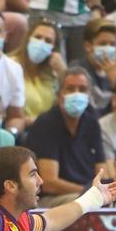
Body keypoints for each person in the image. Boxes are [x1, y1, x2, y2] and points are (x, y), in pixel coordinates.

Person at [26, 67, 103, 200]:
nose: (76, 94)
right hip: (51, 199)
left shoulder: (92, 121)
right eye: (70, 89)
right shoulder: (46, 123)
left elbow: (102, 170)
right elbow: (49, 183)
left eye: (82, 89)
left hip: (87, 195)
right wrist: (89, 192)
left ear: (89, 94)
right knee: (78, 202)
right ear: (60, 93)